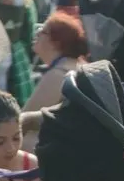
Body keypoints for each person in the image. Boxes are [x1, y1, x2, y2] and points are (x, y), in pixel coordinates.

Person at [21, 12, 88, 152]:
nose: (37, 33)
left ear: (56, 43)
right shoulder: (77, 65)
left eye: (43, 31)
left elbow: (24, 121)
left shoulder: (58, 74)